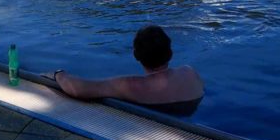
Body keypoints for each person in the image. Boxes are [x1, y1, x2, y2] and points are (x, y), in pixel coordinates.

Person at [52, 25, 204, 115]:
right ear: (170, 53)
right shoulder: (189, 73)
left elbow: (80, 89)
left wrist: (59, 74)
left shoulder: (130, 85)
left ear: (136, 55)